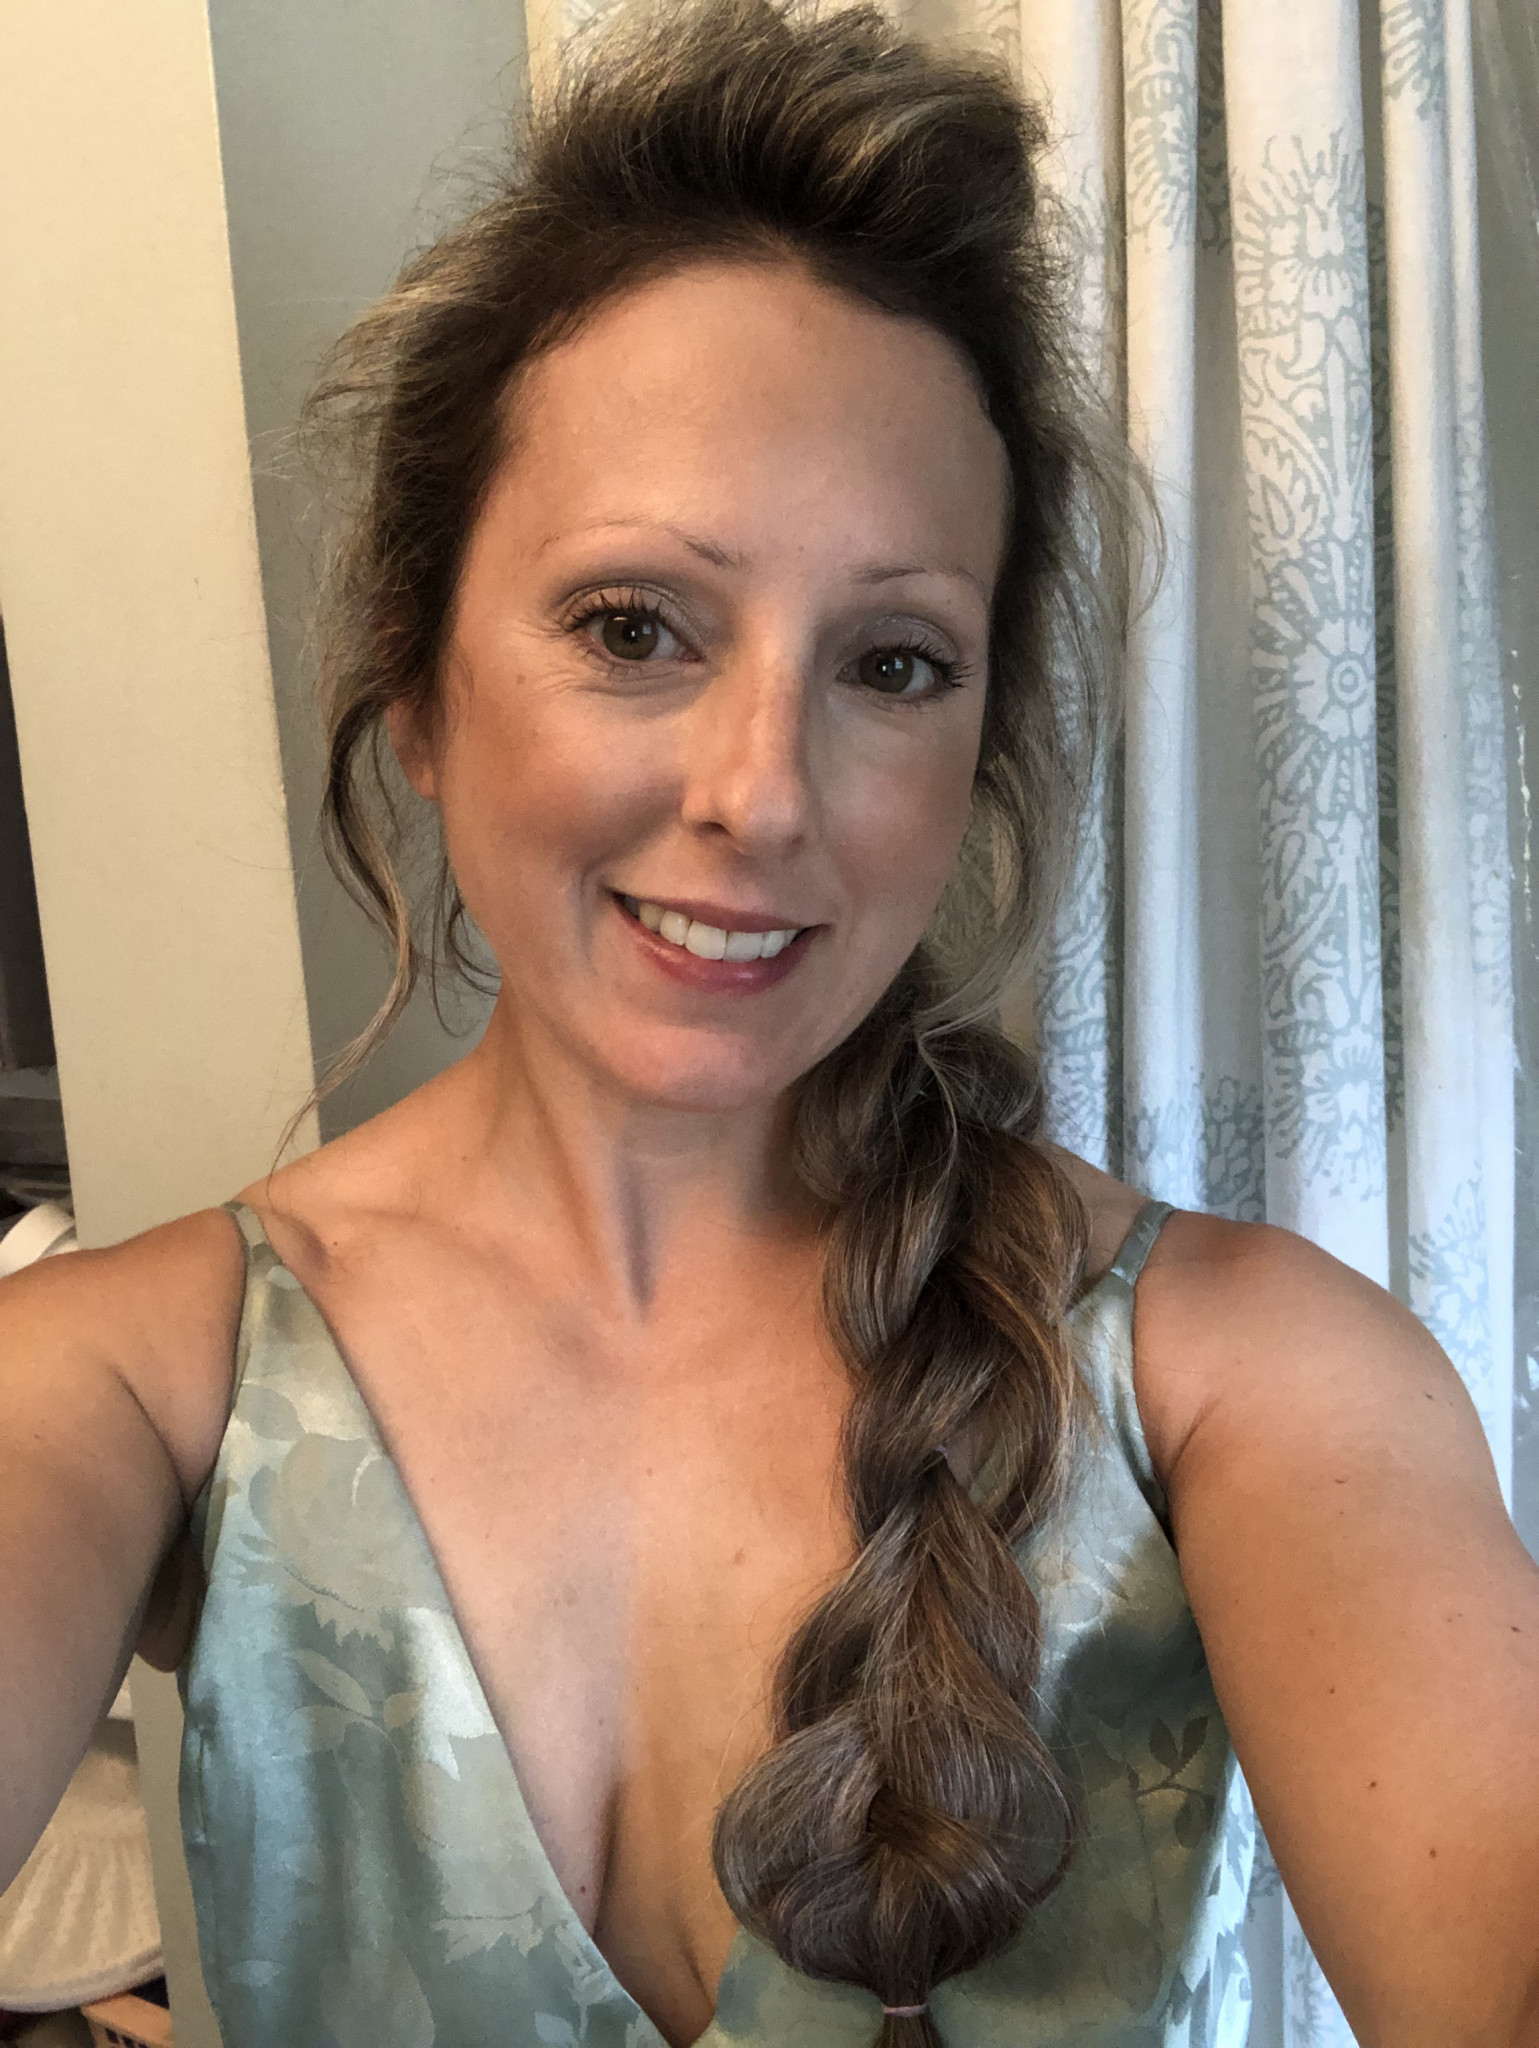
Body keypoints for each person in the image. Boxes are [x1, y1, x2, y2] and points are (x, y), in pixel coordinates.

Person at [2, 2, 1536, 2044]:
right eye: (634, 626)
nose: (762, 794)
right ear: (416, 680)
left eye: (891, 662)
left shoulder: (1254, 1384)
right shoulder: (123, 1383)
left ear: (976, 752)